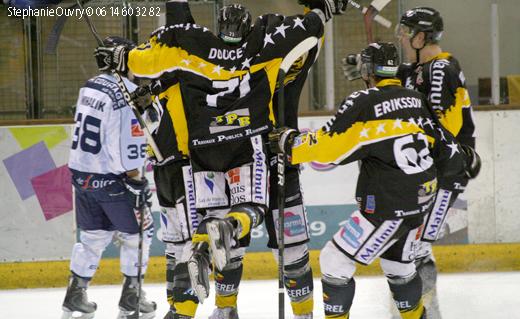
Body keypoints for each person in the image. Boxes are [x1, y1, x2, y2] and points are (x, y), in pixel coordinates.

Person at [94, 1, 347, 318]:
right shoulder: (269, 47)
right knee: (281, 246)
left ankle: (210, 302)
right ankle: (280, 312)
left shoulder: (194, 48)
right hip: (261, 152)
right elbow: (310, 30)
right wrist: (321, 9)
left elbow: (163, 49)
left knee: (215, 240)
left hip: (203, 154)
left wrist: (124, 61)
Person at [270, 42, 480, 319]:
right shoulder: (416, 99)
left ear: (367, 69)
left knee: (334, 261)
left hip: (388, 205)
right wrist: (467, 159)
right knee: (399, 266)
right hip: (421, 200)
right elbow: (446, 148)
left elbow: (327, 148)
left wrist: (289, 142)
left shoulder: (363, 102)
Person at [62, 36, 157, 319]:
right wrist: (134, 180)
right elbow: (127, 143)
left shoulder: (89, 86)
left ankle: (75, 294)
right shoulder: (125, 93)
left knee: (92, 236)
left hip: (82, 175)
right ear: (123, 59)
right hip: (112, 178)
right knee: (139, 234)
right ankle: (132, 297)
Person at [395, 7, 477, 318]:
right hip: (429, 170)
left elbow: (446, 129)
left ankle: (428, 312)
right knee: (410, 242)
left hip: (445, 171)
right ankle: (419, 309)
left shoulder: (441, 70)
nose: (402, 37)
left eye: (407, 32)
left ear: (421, 36)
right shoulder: (421, 68)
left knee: (416, 246)